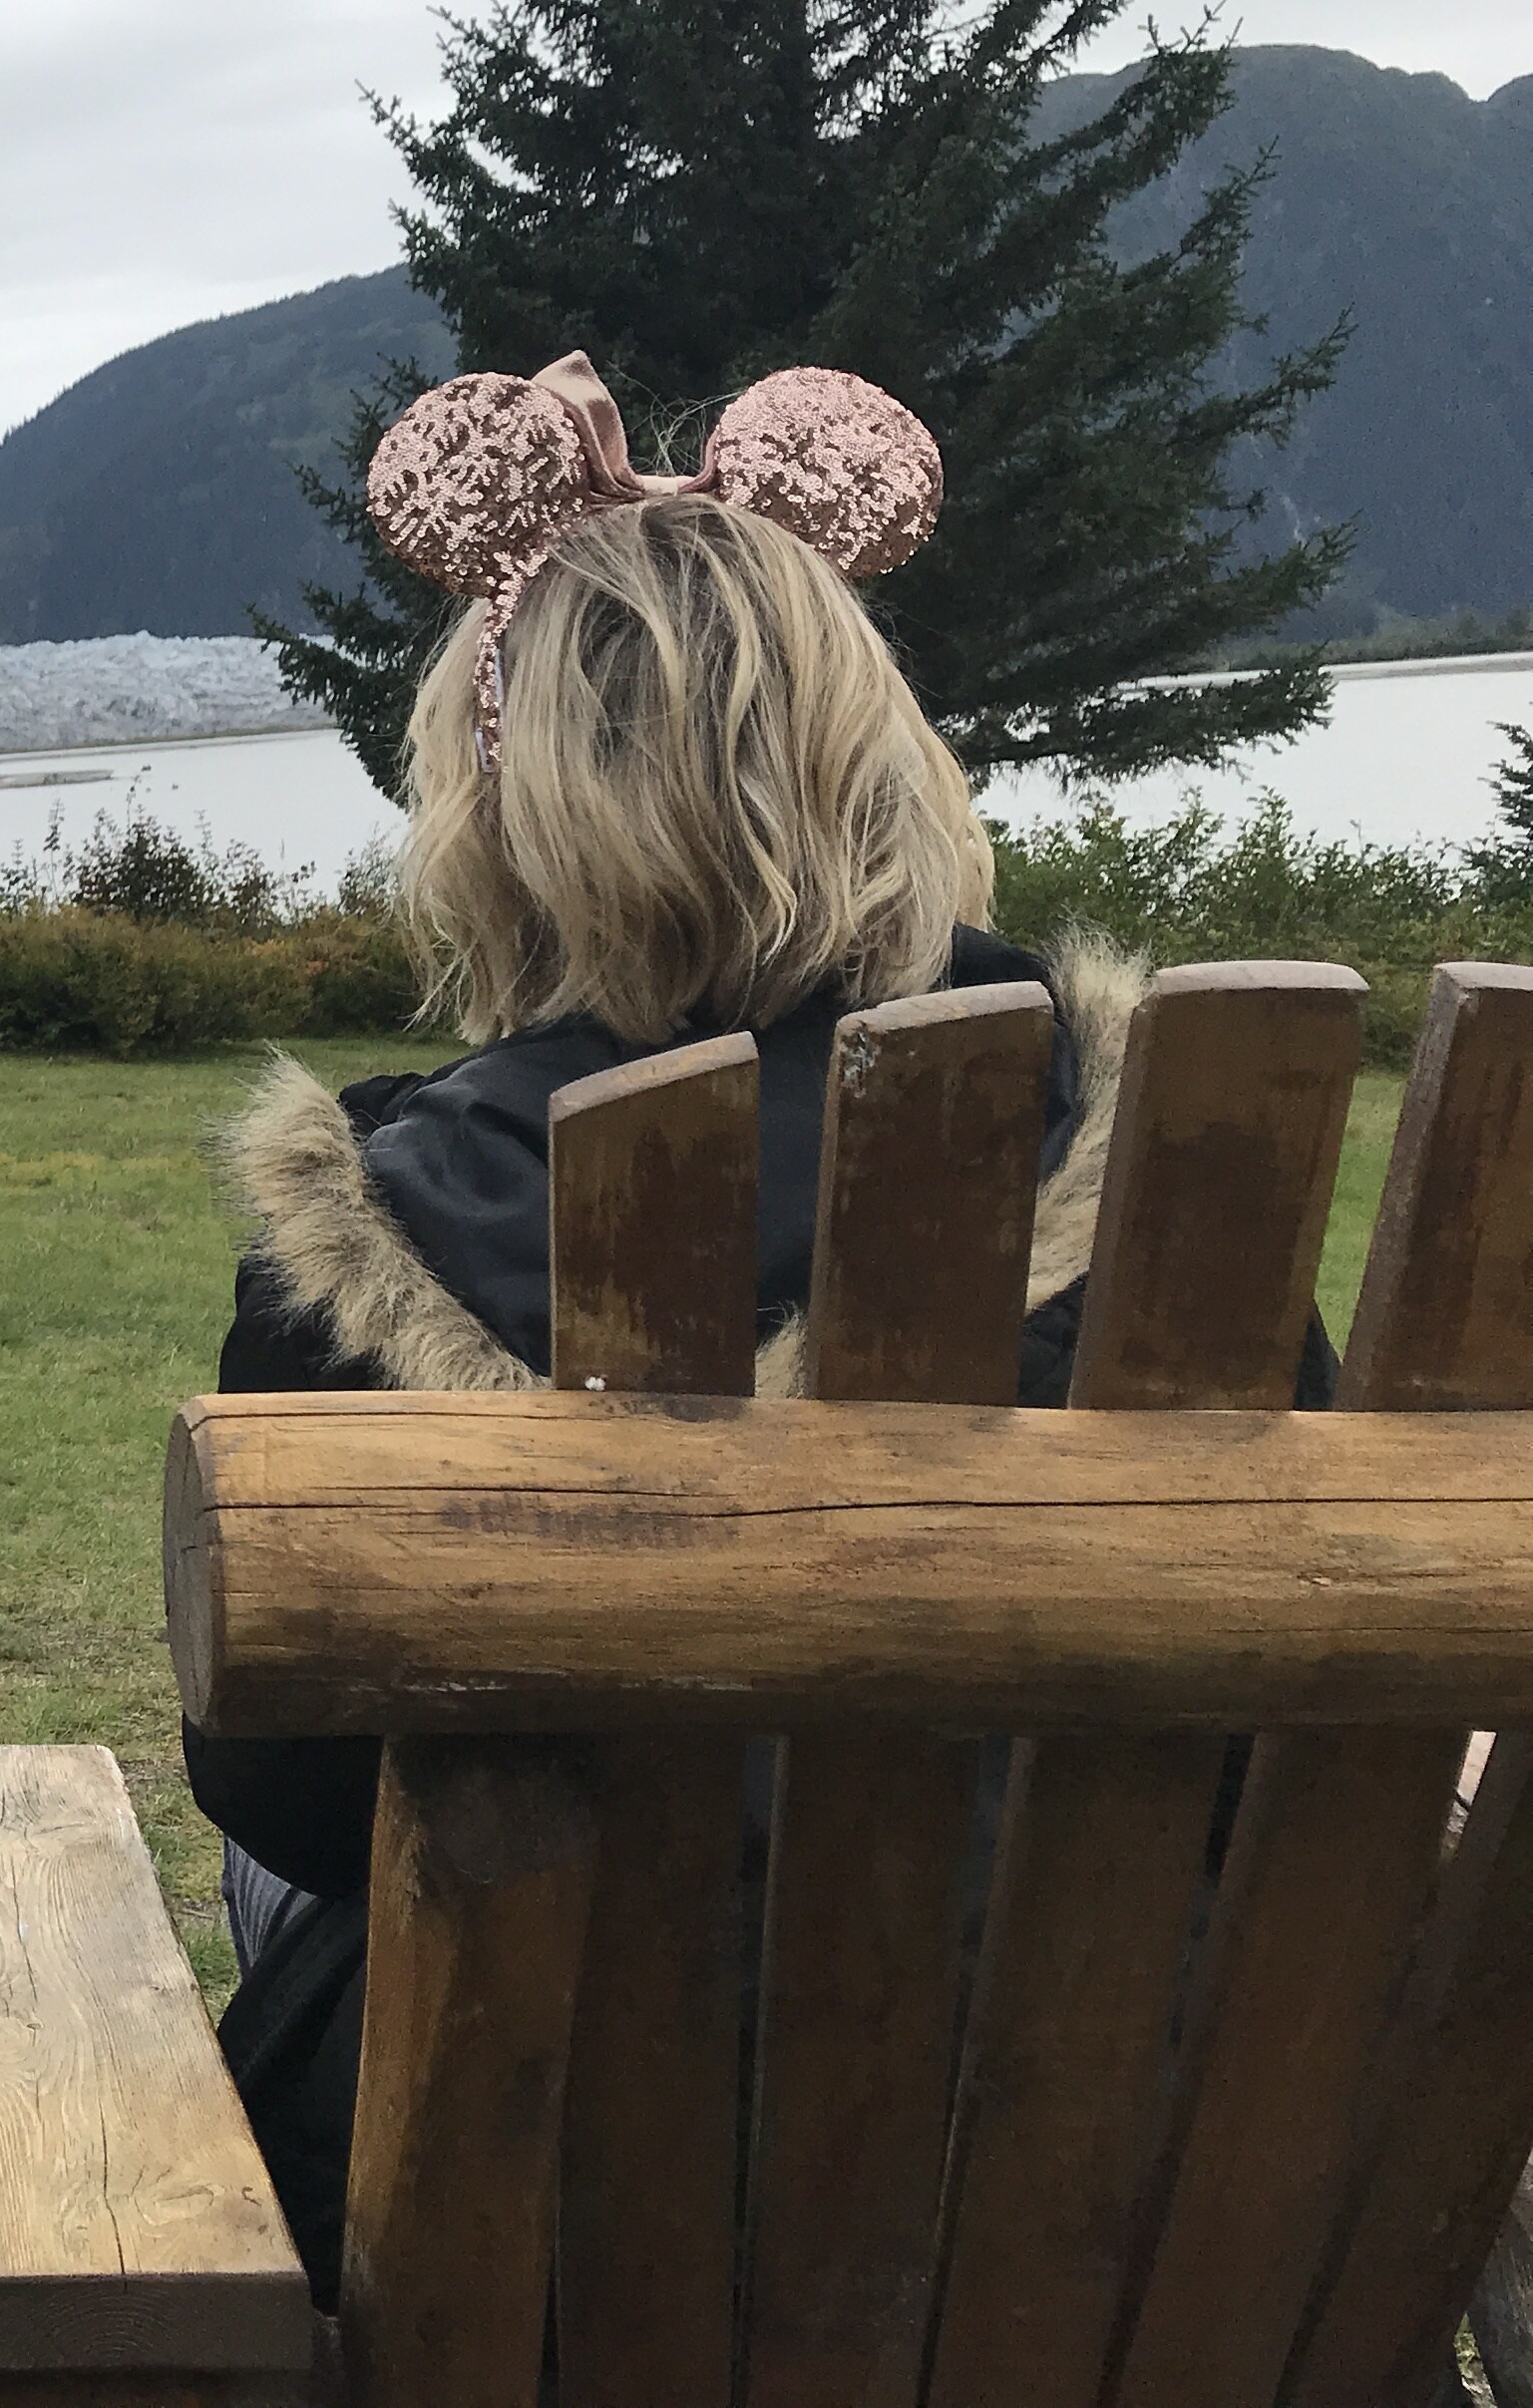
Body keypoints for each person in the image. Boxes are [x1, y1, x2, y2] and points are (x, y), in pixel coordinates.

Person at [188, 351, 1328, 2300]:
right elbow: (1281, 1707)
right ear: (883, 753)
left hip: (561, 2254)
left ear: (501, 799)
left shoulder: (395, 1221)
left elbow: (283, 1784)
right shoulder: (1162, 1171)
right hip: (1110, 2227)